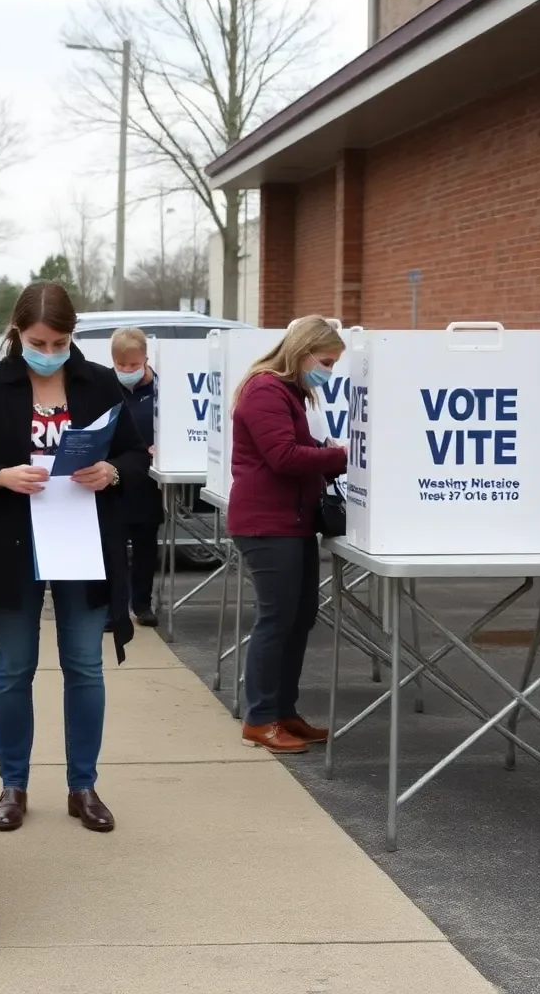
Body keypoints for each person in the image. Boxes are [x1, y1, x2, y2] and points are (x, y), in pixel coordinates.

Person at [0, 282, 149, 835]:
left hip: (83, 542)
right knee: (14, 669)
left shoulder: (99, 382)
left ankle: (83, 785)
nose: (50, 351)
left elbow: (133, 450)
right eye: (39, 341)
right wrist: (0, 476)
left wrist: (114, 472)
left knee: (85, 666)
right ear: (17, 334)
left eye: (60, 342)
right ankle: (13, 783)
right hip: (15, 541)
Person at [227, 315, 347, 754]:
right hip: (267, 523)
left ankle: (282, 710)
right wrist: (339, 456)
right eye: (327, 361)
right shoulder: (266, 391)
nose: (329, 371)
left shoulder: (289, 391)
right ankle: (259, 718)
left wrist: (324, 453)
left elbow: (293, 449)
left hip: (292, 521)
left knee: (299, 618)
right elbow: (281, 456)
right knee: (277, 620)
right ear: (303, 351)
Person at [110, 327, 163, 628]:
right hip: (113, 476)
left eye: (133, 364)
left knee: (145, 545)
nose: (127, 370)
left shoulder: (160, 389)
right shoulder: (105, 386)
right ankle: (113, 610)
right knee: (113, 547)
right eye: (121, 365)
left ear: (145, 358)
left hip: (147, 480)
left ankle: (142, 604)